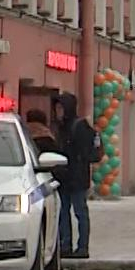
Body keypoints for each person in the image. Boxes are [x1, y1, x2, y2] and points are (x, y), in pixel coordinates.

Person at [52, 92, 99, 258]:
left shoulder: (80, 126)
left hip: (77, 178)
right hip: (64, 178)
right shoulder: (60, 127)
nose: (58, 112)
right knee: (63, 212)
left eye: (60, 108)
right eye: (56, 108)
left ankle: (82, 247)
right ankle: (65, 246)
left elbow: (87, 152)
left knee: (80, 212)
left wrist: (77, 161)